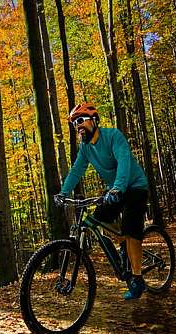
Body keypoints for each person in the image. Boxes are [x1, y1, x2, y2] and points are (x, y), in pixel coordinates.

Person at [55, 102, 150, 300]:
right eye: (74, 124)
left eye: (81, 120)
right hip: (115, 190)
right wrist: (63, 193)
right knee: (96, 219)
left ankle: (138, 279)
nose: (78, 126)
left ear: (94, 121)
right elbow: (76, 171)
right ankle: (122, 243)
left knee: (132, 231)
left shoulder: (113, 136)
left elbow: (124, 161)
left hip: (134, 186)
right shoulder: (85, 148)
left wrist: (117, 187)